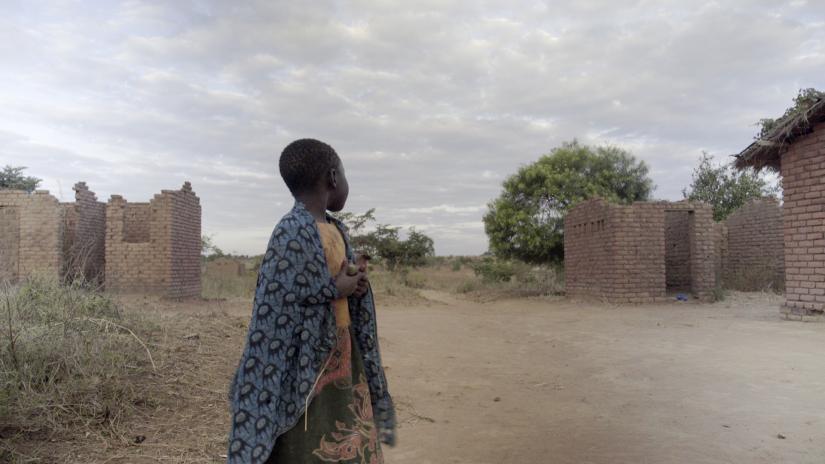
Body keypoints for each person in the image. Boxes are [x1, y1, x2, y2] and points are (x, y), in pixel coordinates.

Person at [227, 139, 395, 464]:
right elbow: (281, 299)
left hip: (345, 351)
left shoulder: (336, 228)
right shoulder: (289, 232)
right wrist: (335, 289)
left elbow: (334, 283)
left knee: (352, 428)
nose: (346, 182)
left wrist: (354, 286)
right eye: (345, 174)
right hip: (307, 363)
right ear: (333, 177)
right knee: (310, 439)